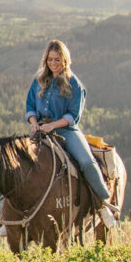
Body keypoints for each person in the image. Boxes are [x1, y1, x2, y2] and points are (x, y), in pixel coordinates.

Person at [19, 40, 118, 230]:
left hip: (66, 131)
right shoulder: (38, 81)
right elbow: (30, 106)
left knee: (87, 163)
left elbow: (73, 115)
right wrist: (33, 123)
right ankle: (11, 216)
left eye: (57, 59)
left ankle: (103, 204)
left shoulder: (75, 84)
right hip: (40, 130)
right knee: (18, 163)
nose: (53, 63)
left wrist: (53, 126)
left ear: (65, 60)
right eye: (50, 59)